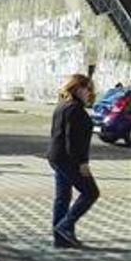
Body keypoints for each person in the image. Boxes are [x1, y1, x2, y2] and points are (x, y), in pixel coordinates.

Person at [46, 74, 100, 248]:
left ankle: (60, 239)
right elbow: (73, 140)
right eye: (88, 89)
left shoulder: (62, 105)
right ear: (77, 88)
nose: (90, 93)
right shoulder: (75, 109)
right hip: (68, 159)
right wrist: (82, 163)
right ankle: (65, 226)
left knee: (63, 197)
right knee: (91, 192)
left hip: (57, 156)